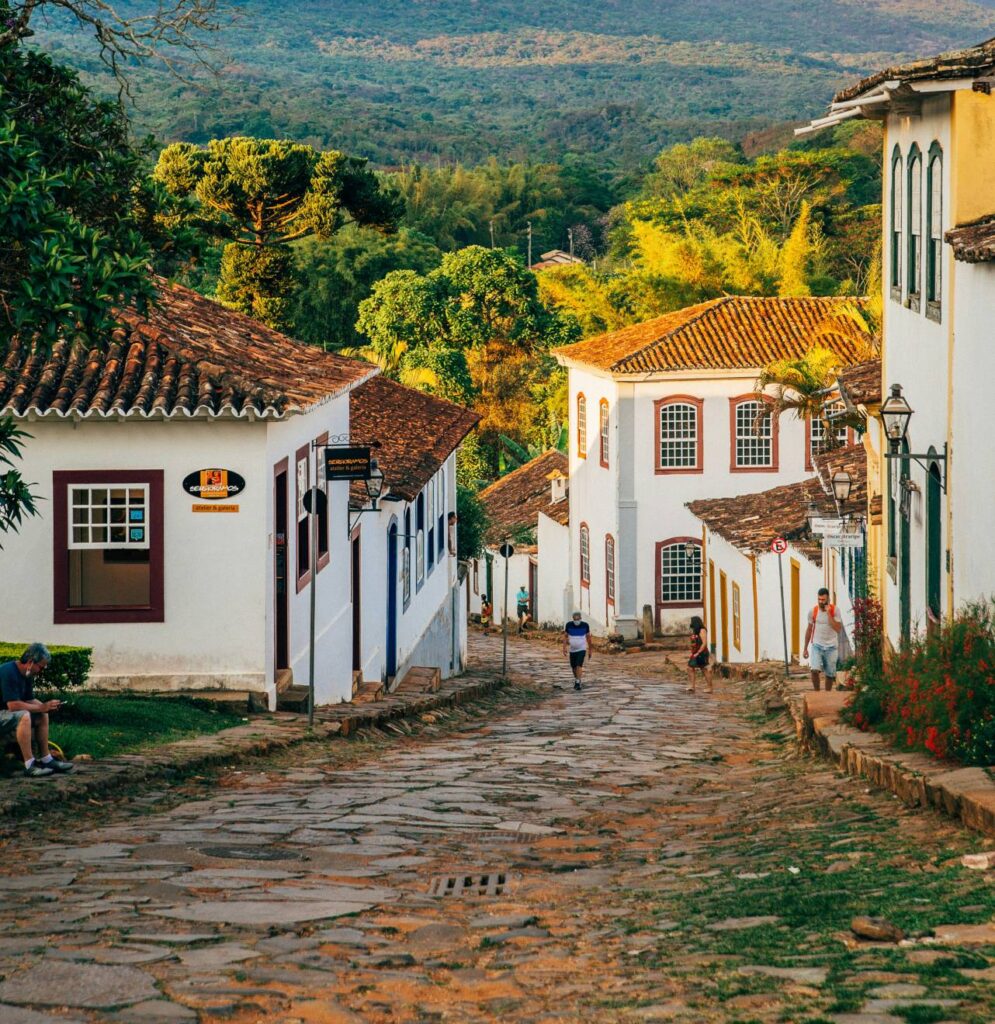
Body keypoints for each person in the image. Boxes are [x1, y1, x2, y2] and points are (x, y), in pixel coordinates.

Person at [0, 644, 74, 777]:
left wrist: (47, 706)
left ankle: (47, 759)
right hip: (4, 712)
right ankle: (30, 765)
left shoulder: (27, 674)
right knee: (25, 716)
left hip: (6, 714)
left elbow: (29, 700)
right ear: (30, 662)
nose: (41, 670)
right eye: (41, 666)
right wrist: (41, 707)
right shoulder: (8, 671)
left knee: (42, 713)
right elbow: (13, 705)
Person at [803, 587, 843, 691]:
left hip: (832, 647)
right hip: (817, 644)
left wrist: (829, 613)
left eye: (823, 600)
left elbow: (838, 629)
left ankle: (827, 695)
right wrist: (805, 648)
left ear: (828, 599)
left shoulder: (835, 610)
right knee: (814, 670)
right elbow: (809, 629)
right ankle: (817, 692)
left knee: (830, 674)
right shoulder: (813, 611)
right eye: (819, 599)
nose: (821, 602)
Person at [563, 611, 591, 691]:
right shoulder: (569, 625)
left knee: (579, 665)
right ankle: (577, 679)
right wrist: (564, 648)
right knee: (573, 667)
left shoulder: (585, 625)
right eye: (575, 619)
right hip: (572, 650)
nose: (576, 621)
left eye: (578, 619)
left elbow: (589, 638)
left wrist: (590, 650)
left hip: (582, 649)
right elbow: (565, 636)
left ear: (580, 618)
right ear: (573, 619)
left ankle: (578, 682)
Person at [687, 616, 713, 694]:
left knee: (704, 669)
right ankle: (692, 686)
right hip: (695, 652)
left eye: (692, 621)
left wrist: (698, 652)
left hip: (702, 652)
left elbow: (704, 643)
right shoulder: (695, 631)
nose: (691, 623)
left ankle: (710, 687)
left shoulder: (702, 630)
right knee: (690, 668)